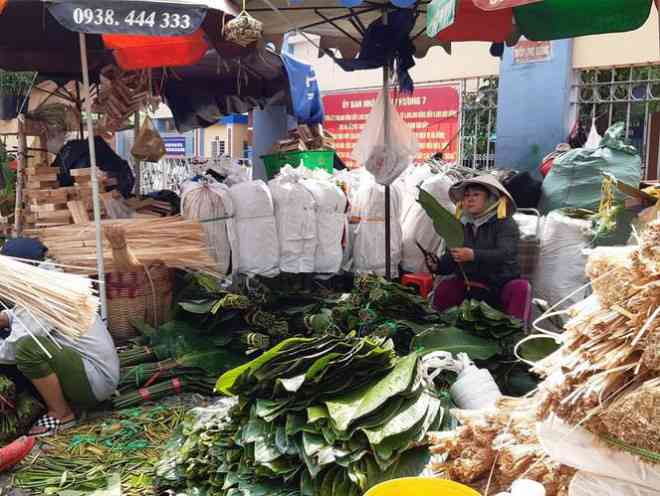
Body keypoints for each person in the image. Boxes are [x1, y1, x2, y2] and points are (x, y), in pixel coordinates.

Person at [0, 238, 120, 437]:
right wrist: (4, 318)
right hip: (89, 368)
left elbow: (13, 349)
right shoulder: (47, 282)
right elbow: (22, 315)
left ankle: (62, 415)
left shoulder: (44, 296)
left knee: (28, 348)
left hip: (95, 380)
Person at [427, 175, 532, 322]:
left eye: (476, 195)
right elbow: (452, 258)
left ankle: (515, 336)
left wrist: (473, 255)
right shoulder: (461, 224)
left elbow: (506, 254)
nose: (470, 199)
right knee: (446, 287)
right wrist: (437, 266)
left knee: (521, 288)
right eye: (467, 195)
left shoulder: (505, 224)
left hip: (499, 284)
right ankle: (439, 329)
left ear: (490, 199)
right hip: (469, 284)